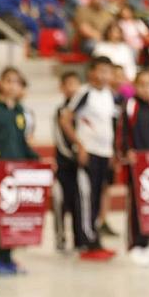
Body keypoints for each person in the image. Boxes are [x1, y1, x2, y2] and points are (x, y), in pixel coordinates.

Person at [0, 67, 38, 274]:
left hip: (17, 170)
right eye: (8, 81)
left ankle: (8, 257)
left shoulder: (20, 111)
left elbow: (23, 142)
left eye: (17, 82)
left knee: (12, 216)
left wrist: (38, 161)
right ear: (1, 83)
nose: (12, 85)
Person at [59, 56, 118, 260]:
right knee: (86, 197)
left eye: (108, 71)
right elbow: (66, 118)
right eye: (100, 70)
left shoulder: (109, 95)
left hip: (104, 153)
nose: (104, 75)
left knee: (97, 196)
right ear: (91, 72)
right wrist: (79, 145)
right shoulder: (85, 93)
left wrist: (111, 151)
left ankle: (94, 236)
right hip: (89, 153)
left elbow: (108, 126)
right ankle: (87, 241)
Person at [116, 70, 149, 266]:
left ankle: (147, 244)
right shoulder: (131, 106)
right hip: (136, 166)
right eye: (143, 85)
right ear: (135, 87)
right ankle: (134, 245)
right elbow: (123, 133)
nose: (147, 89)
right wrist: (126, 152)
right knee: (135, 207)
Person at [52, 71, 83, 252]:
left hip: (80, 163)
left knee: (79, 201)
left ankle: (79, 237)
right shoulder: (60, 111)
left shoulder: (83, 109)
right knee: (60, 201)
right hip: (65, 163)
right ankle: (60, 237)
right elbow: (60, 139)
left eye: (75, 84)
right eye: (68, 84)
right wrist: (72, 153)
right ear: (62, 88)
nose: (72, 88)